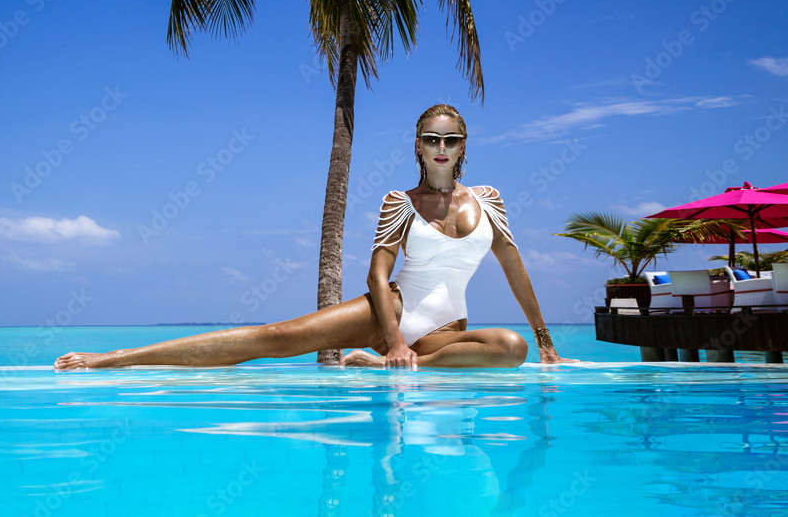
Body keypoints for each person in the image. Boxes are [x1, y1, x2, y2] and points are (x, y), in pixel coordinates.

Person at [54, 104, 571, 371]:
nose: (441, 147)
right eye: (431, 139)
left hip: (442, 331)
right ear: (418, 145)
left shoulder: (489, 201)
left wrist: (547, 342)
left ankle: (392, 368)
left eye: (450, 140)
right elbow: (377, 272)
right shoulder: (400, 201)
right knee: (278, 338)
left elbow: (513, 267)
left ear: (463, 147)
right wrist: (392, 339)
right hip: (387, 308)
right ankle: (113, 358)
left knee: (510, 348)